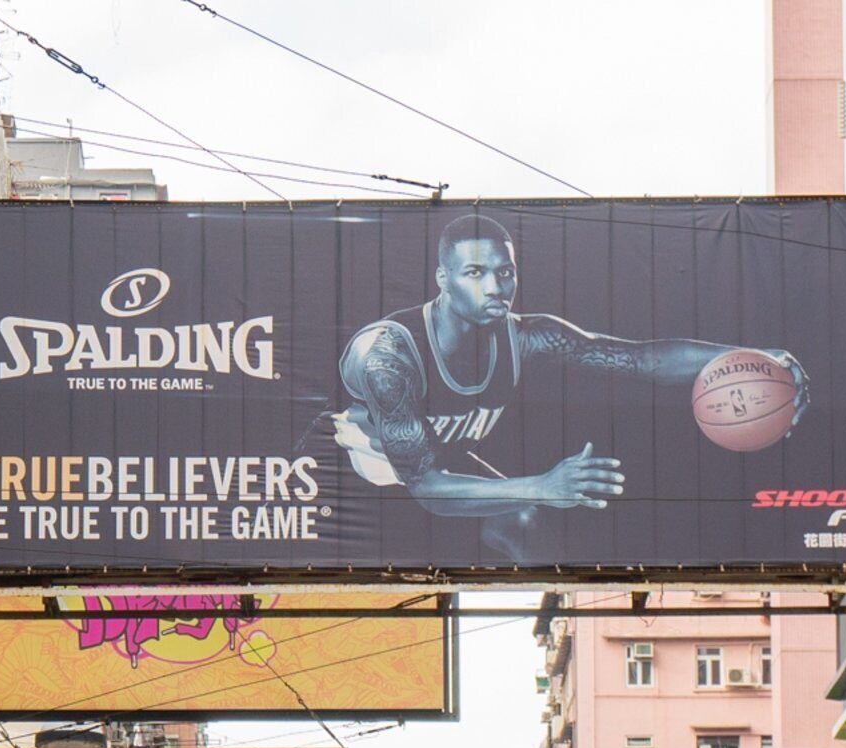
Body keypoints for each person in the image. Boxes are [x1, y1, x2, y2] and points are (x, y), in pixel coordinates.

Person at [325, 210, 812, 567]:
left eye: (505, 272)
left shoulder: (527, 333)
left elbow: (636, 358)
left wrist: (753, 358)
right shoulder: (388, 355)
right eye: (475, 273)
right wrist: (543, 485)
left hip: (443, 449)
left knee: (530, 527)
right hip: (367, 460)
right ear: (442, 280)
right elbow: (427, 486)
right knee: (517, 514)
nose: (496, 286)